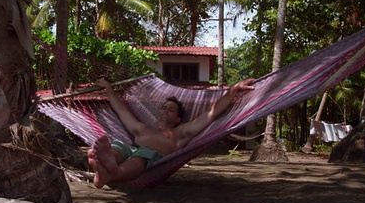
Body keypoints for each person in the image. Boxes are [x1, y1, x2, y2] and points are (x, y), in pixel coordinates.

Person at [88, 77, 255, 188]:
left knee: (143, 155)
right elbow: (122, 111)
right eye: (163, 107)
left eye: (171, 109)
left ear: (177, 119)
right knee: (118, 146)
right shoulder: (142, 129)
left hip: (150, 160)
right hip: (131, 151)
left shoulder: (181, 132)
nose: (165, 110)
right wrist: (109, 89)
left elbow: (211, 114)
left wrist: (233, 90)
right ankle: (106, 164)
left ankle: (112, 172)